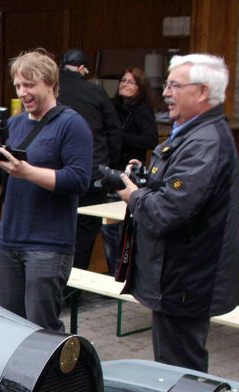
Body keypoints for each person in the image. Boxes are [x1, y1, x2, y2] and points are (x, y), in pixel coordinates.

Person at [116, 54, 239, 372]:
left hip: (186, 279)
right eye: (167, 85)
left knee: (180, 371)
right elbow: (178, 194)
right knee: (173, 366)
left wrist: (134, 196)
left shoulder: (204, 142)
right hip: (179, 277)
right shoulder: (192, 133)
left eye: (174, 85)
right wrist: (147, 178)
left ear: (202, 92)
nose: (166, 93)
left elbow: (167, 211)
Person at [0, 49, 92, 332]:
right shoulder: (14, 124)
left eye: (29, 85)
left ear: (50, 84)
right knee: (10, 326)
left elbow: (79, 180)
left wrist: (27, 172)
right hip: (8, 240)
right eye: (18, 85)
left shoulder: (72, 124)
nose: (22, 92)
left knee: (42, 328)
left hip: (47, 244)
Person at [57, 48, 121, 270]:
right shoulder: (96, 92)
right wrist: (109, 165)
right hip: (93, 172)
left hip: (57, 172)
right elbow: (114, 132)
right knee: (85, 231)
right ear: (83, 69)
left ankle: (59, 279)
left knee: (58, 224)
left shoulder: (53, 90)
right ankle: (76, 281)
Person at [100, 67, 158, 273]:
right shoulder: (113, 107)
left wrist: (120, 136)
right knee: (108, 226)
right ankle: (114, 271)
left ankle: (123, 271)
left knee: (120, 227)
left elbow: (150, 139)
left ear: (140, 87)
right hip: (111, 169)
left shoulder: (142, 110)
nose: (124, 84)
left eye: (130, 82)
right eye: (123, 81)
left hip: (130, 173)